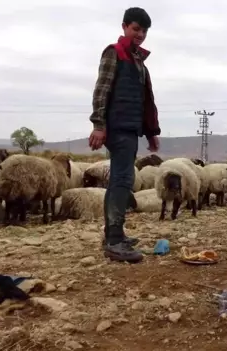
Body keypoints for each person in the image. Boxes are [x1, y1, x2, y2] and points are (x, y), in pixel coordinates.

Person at [88, 7, 161, 263]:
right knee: (122, 179)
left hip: (131, 129)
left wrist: (151, 133)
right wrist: (99, 124)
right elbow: (102, 88)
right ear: (124, 27)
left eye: (143, 31)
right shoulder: (114, 53)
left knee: (122, 179)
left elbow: (146, 101)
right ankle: (114, 240)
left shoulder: (139, 63)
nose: (140, 34)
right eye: (135, 29)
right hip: (117, 127)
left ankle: (114, 233)